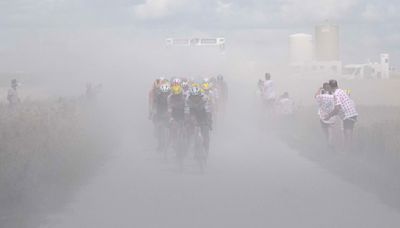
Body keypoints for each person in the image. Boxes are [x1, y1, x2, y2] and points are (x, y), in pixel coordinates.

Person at [325, 80, 358, 149]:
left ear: (331, 87)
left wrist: (329, 115)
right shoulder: (341, 91)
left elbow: (337, 108)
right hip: (352, 113)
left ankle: (348, 151)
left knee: (347, 133)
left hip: (348, 114)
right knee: (348, 133)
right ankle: (348, 149)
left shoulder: (336, 94)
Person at [185, 85, 212, 157]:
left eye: (196, 96)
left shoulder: (204, 99)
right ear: (191, 96)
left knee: (206, 134)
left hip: (203, 116)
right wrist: (188, 121)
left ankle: (206, 150)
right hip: (193, 116)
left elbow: (208, 111)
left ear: (200, 95)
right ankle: (189, 146)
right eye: (193, 97)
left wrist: (208, 121)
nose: (195, 98)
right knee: (188, 129)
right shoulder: (188, 100)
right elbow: (187, 112)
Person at [315, 83, 336, 149]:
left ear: (324, 89)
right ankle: (329, 144)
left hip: (323, 117)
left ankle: (327, 143)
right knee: (331, 131)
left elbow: (316, 96)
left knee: (325, 132)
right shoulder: (333, 96)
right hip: (331, 116)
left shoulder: (321, 96)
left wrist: (319, 89)